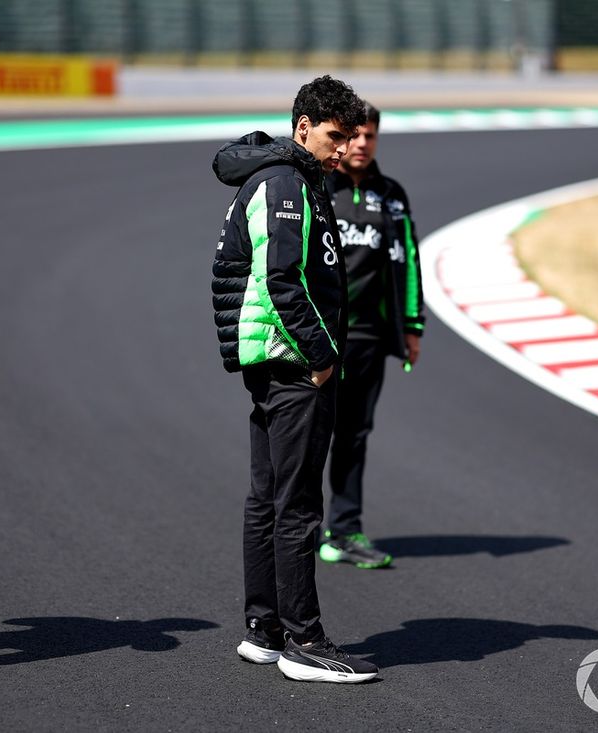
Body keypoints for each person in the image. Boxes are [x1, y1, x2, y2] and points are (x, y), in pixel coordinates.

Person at [211, 75, 379, 684]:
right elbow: (283, 279)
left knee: (267, 498)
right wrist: (320, 356)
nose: (343, 149)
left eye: (352, 137)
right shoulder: (286, 183)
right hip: (292, 362)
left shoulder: (289, 177)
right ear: (302, 128)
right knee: (298, 505)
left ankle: (265, 629)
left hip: (271, 360)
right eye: (335, 136)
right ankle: (303, 643)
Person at [320, 102, 424, 569]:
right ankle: (295, 526)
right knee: (308, 435)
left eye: (371, 136)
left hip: (368, 338)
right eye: (355, 135)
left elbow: (410, 265)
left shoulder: (393, 195)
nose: (362, 144)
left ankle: (342, 531)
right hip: (318, 337)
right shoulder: (317, 186)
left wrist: (413, 326)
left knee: (354, 435)